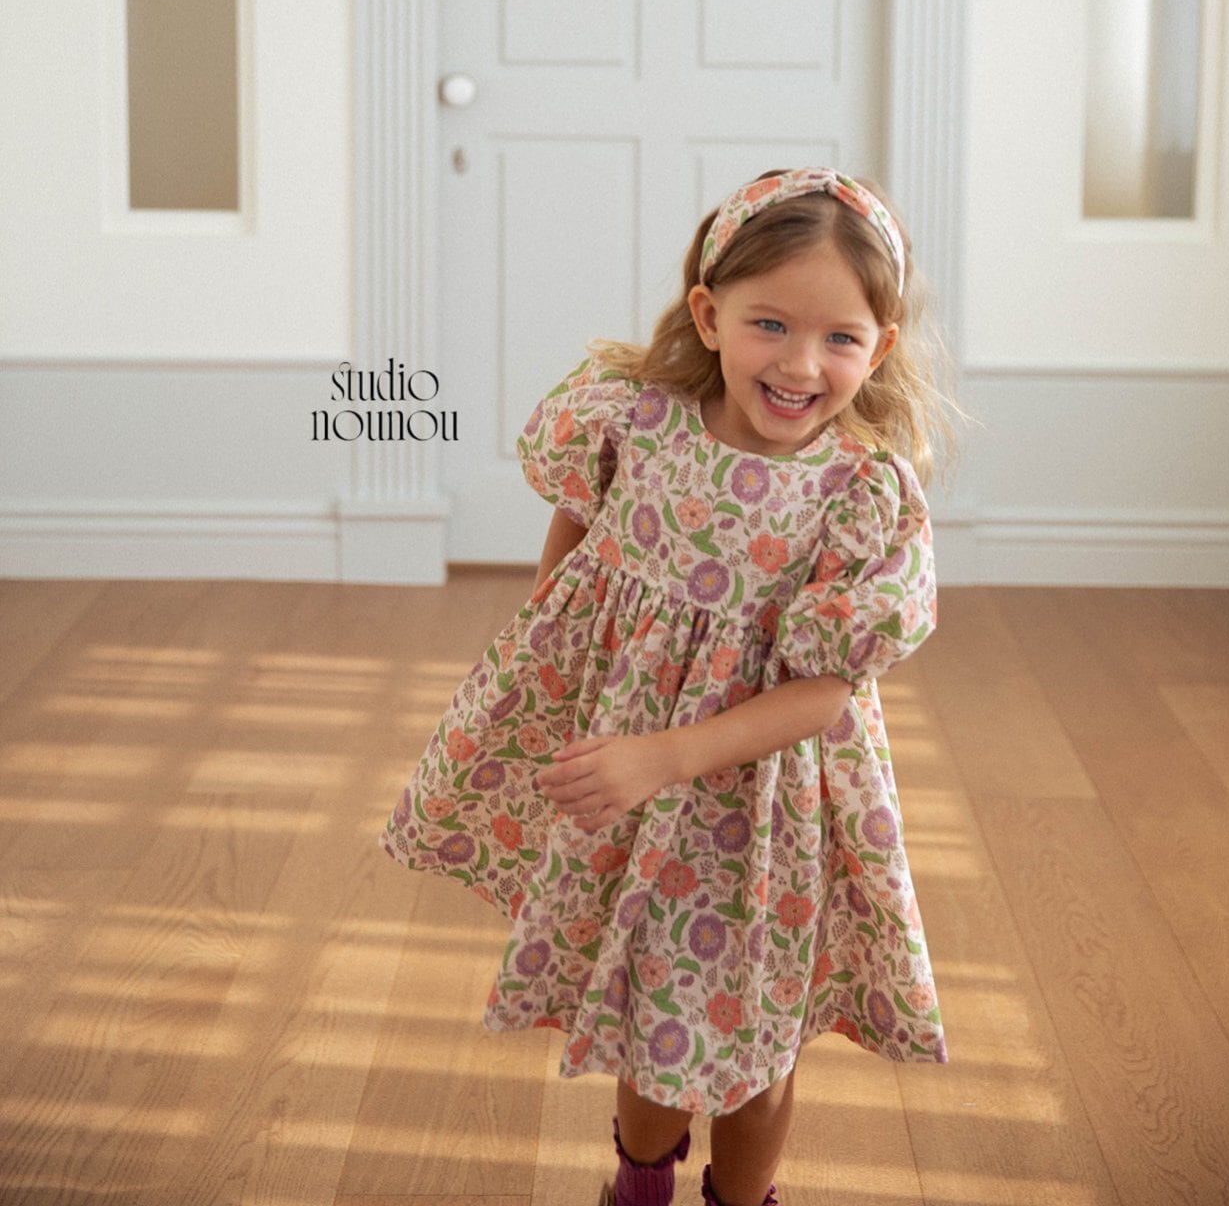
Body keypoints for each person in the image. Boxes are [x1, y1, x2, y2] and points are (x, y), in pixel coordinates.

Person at [381, 168, 951, 1206]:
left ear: (879, 349)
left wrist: (666, 757)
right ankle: (637, 1185)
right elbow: (579, 530)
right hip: (631, 787)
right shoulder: (634, 420)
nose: (799, 364)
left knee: (755, 1041)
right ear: (708, 312)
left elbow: (824, 693)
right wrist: (554, 656)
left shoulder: (861, 494)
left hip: (764, 812)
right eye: (769, 323)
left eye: (839, 337)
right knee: (649, 1015)